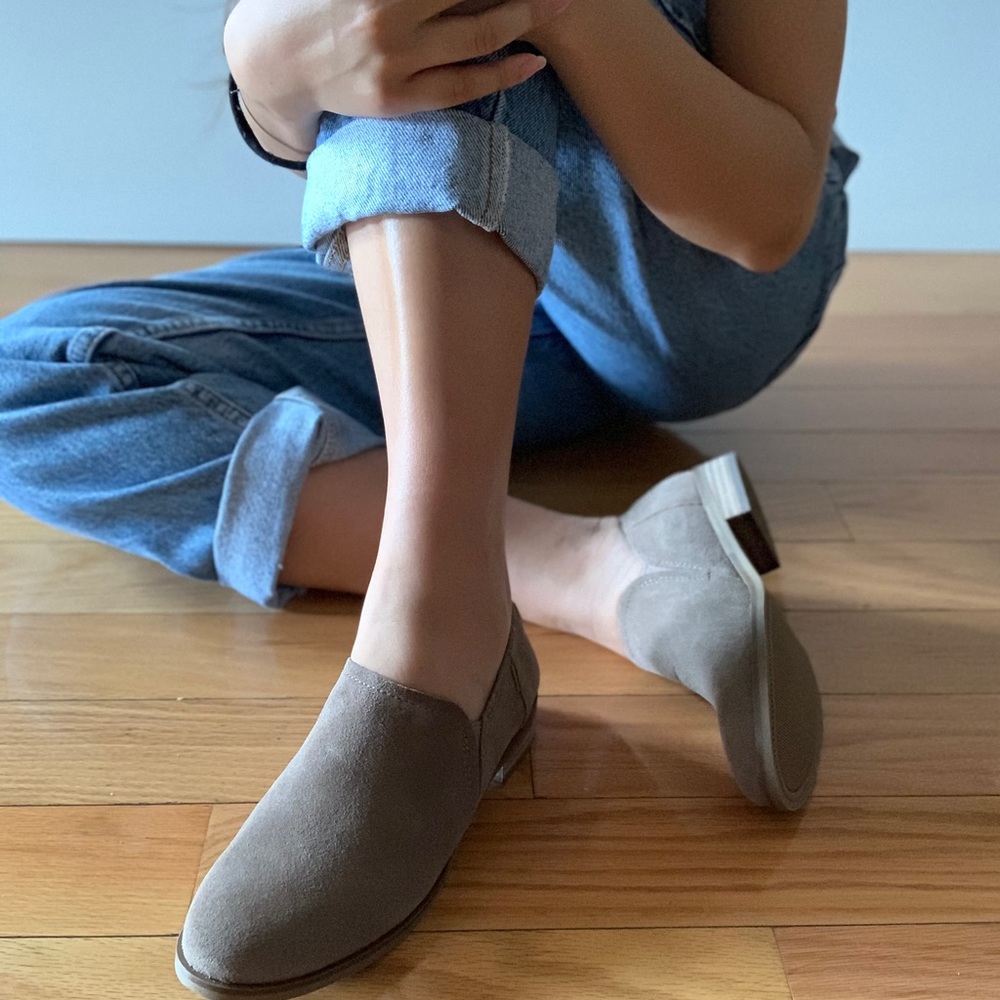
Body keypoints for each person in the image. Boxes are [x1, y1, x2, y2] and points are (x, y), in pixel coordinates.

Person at [0, 0, 860, 997]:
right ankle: (597, 567)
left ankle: (435, 642)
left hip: (687, 284)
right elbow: (303, 111)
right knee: (33, 376)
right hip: (468, 257)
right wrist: (267, 65)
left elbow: (768, 217)